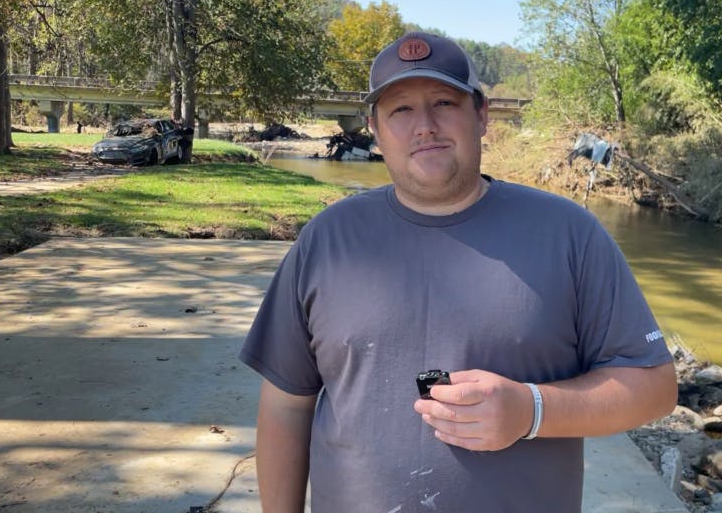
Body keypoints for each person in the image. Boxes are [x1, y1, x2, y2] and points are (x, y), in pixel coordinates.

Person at [239, 31, 677, 512]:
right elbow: (286, 404)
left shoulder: (569, 234)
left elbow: (653, 387)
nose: (424, 126)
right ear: (375, 129)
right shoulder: (326, 241)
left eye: (444, 103)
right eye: (401, 110)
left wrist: (531, 410)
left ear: (481, 114)